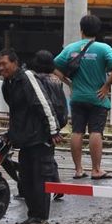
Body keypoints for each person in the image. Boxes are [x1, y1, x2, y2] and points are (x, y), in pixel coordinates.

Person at [0, 49, 61, 224]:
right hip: (26, 138)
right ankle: (33, 215)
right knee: (26, 178)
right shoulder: (8, 83)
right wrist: (12, 134)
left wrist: (53, 130)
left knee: (40, 178)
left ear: (15, 62)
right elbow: (16, 113)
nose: (1, 68)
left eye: (4, 64)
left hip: (40, 138)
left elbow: (42, 103)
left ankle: (41, 217)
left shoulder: (26, 78)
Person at [53, 15, 112, 180]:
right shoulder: (103, 48)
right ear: (97, 31)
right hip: (97, 97)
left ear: (81, 29)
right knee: (96, 132)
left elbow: (54, 66)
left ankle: (78, 170)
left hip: (77, 97)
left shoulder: (71, 48)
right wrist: (106, 86)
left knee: (77, 131)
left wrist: (68, 83)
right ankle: (96, 170)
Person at [29, 50, 65, 186]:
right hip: (55, 122)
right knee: (48, 155)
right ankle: (57, 185)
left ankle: (55, 185)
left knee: (38, 157)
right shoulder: (56, 80)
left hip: (43, 123)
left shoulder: (37, 81)